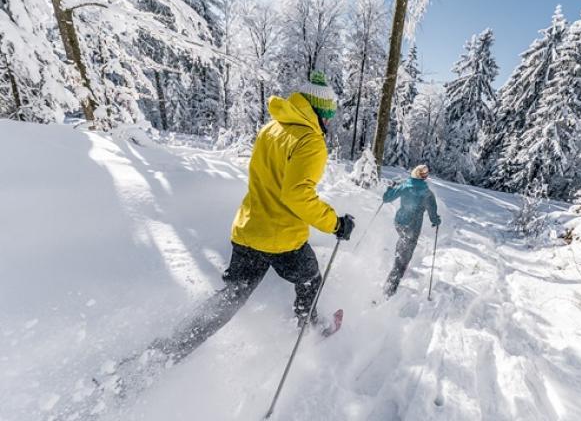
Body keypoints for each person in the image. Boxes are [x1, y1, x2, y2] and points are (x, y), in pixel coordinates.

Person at [150, 71, 355, 363]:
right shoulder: (310, 140)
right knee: (310, 277)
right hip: (282, 238)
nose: (330, 122)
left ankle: (168, 350)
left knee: (231, 297)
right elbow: (297, 194)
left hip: (248, 229)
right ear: (319, 112)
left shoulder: (272, 128)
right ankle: (307, 327)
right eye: (329, 115)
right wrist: (335, 223)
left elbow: (267, 180)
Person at [382, 164, 441, 298]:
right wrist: (436, 221)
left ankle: (399, 256)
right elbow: (433, 215)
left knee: (402, 244)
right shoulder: (427, 194)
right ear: (425, 177)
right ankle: (389, 291)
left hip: (399, 223)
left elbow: (386, 199)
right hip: (412, 229)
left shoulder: (405, 186)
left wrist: (390, 188)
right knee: (402, 260)